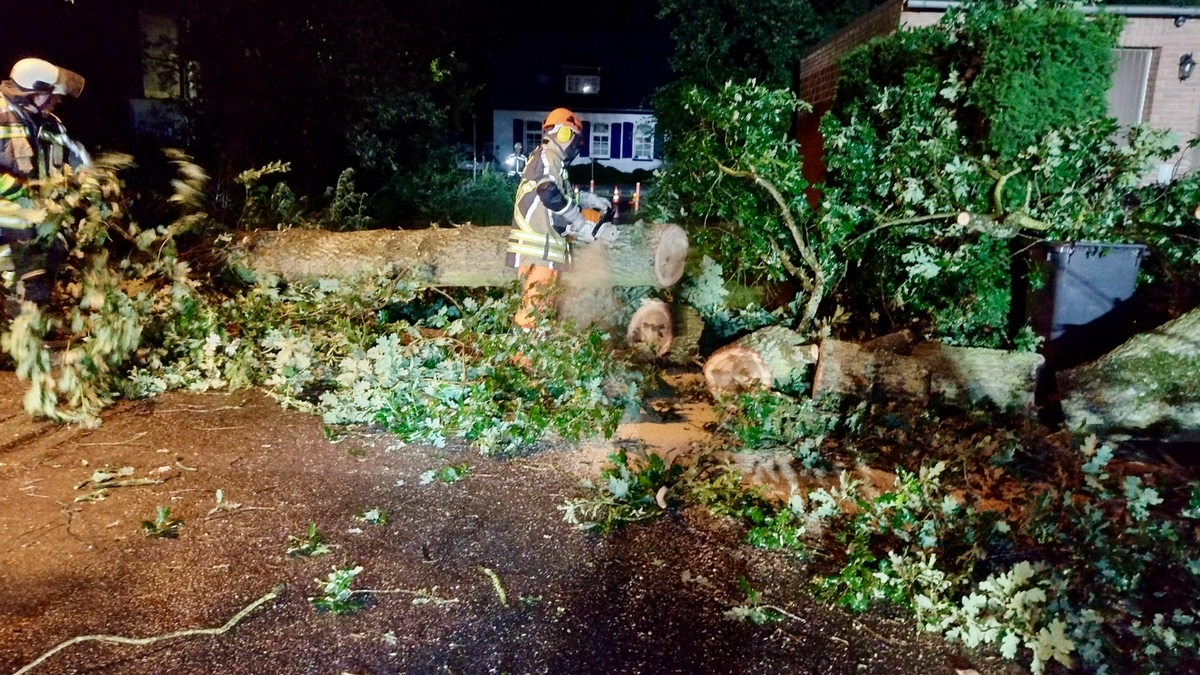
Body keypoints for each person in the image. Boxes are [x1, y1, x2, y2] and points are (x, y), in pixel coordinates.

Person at [505, 108, 615, 330]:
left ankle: (536, 347)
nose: (575, 147)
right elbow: (548, 191)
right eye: (575, 138)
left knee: (542, 307)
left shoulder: (550, 160)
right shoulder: (547, 156)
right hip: (538, 248)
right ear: (564, 134)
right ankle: (527, 350)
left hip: (545, 248)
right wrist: (579, 222)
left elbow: (561, 194)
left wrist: (589, 199)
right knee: (534, 310)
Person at [0, 57, 88, 319]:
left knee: (48, 262)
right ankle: (21, 322)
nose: (57, 101)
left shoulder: (50, 124)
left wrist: (92, 182)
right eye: (53, 95)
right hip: (10, 221)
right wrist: (20, 193)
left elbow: (78, 160)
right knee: (27, 282)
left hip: (35, 221)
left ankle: (25, 317)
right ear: (34, 93)